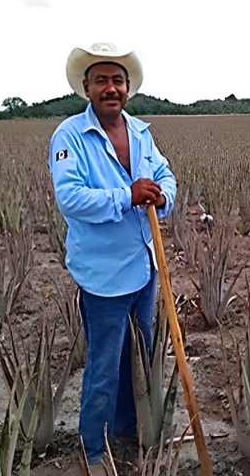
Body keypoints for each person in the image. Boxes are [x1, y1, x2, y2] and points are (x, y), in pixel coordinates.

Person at [48, 42, 177, 469]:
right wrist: (127, 196)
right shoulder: (70, 136)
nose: (110, 88)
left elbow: (164, 175)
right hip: (103, 275)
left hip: (144, 266)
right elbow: (72, 199)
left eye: (117, 80)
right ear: (87, 88)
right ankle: (95, 450)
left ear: (127, 89)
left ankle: (126, 427)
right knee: (104, 365)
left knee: (137, 356)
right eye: (101, 80)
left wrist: (162, 198)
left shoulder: (140, 132)